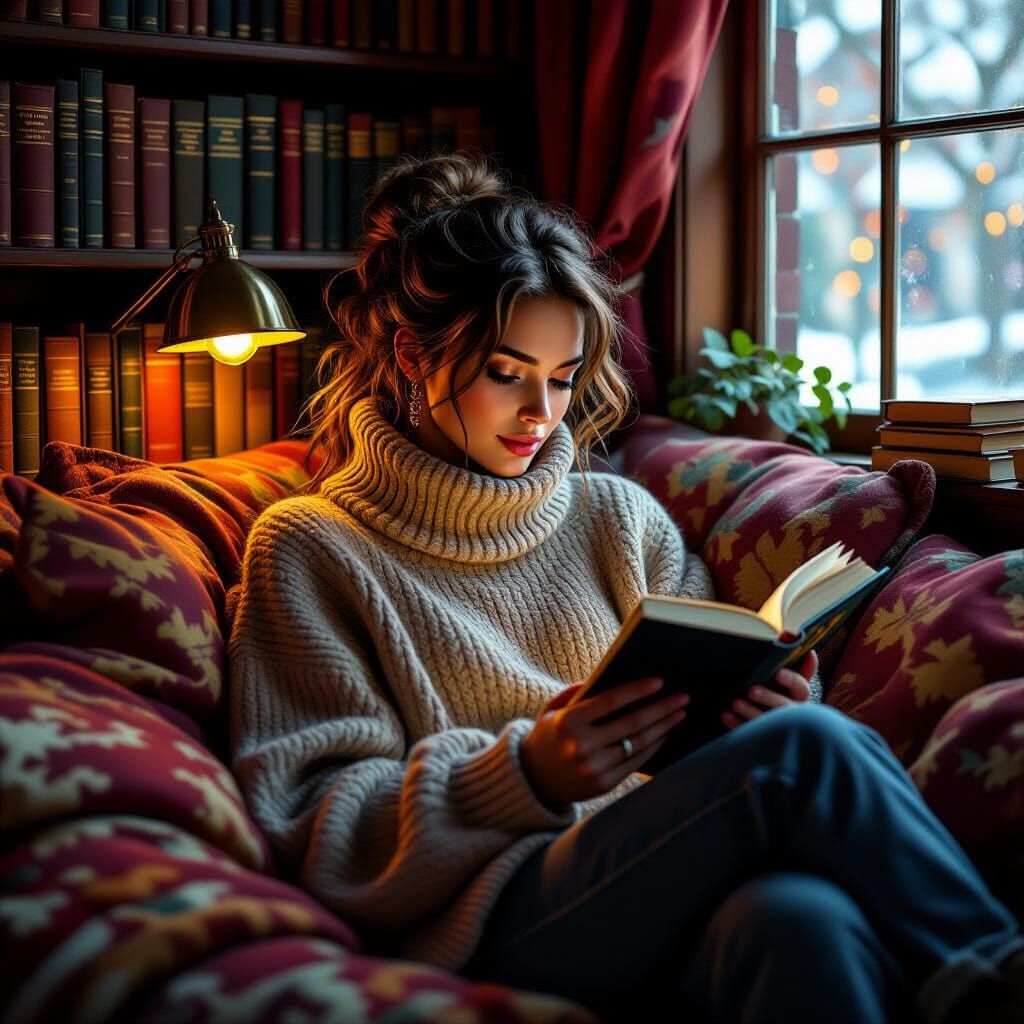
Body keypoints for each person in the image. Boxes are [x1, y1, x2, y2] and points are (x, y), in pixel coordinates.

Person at [228, 152, 1024, 1024]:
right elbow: (309, 826)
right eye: (507, 373)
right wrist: (528, 769)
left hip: (670, 870)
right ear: (415, 354)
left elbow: (713, 695)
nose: (542, 412)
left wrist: (767, 698)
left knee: (802, 920)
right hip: (494, 911)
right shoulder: (310, 549)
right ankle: (996, 977)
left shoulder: (618, 518)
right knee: (802, 754)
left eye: (564, 379)